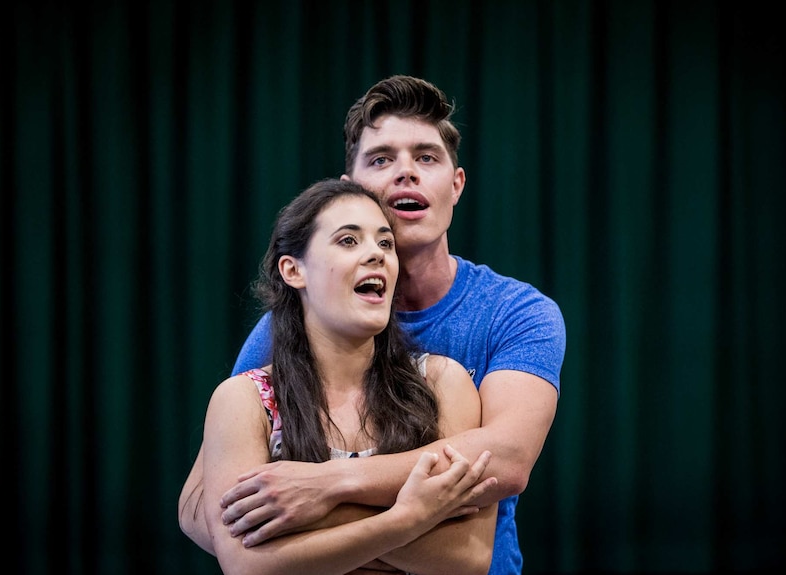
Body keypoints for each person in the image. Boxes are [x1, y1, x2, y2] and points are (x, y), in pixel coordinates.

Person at [179, 76, 566, 575]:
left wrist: (324, 487)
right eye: (382, 159)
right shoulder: (289, 326)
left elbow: (505, 462)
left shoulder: (514, 313)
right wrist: (411, 518)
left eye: (426, 157)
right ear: (350, 188)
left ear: (457, 184)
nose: (406, 172)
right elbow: (201, 507)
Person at [195, 178, 498, 575]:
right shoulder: (244, 399)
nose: (376, 254)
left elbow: (467, 557)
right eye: (349, 241)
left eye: (385, 243)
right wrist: (406, 520)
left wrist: (311, 521)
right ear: (293, 270)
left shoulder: (442, 383)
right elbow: (246, 563)